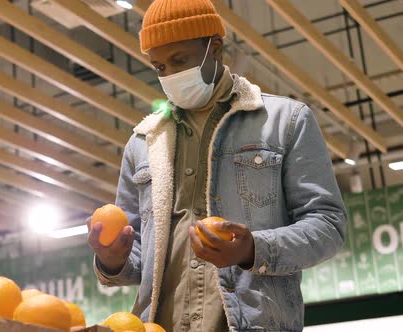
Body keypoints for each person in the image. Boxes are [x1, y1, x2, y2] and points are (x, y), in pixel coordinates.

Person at [87, 0, 347, 330]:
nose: (170, 75)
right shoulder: (143, 143)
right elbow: (136, 253)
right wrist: (112, 259)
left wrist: (254, 248)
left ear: (215, 48)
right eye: (160, 67)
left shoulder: (286, 122)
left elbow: (328, 225)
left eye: (180, 60)